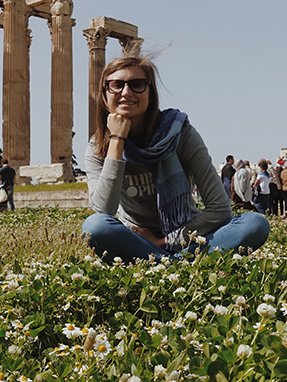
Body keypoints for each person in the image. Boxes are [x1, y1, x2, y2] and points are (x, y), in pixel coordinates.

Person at [82, 55, 269, 263]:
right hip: (135, 241)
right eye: (116, 85)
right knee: (95, 226)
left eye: (137, 84)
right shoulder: (97, 148)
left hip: (188, 237)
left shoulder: (180, 133)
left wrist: (163, 241)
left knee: (255, 223)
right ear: (105, 93)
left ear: (151, 93)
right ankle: (182, 264)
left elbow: (219, 209)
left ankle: (164, 263)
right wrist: (117, 139)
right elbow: (104, 210)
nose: (126, 92)